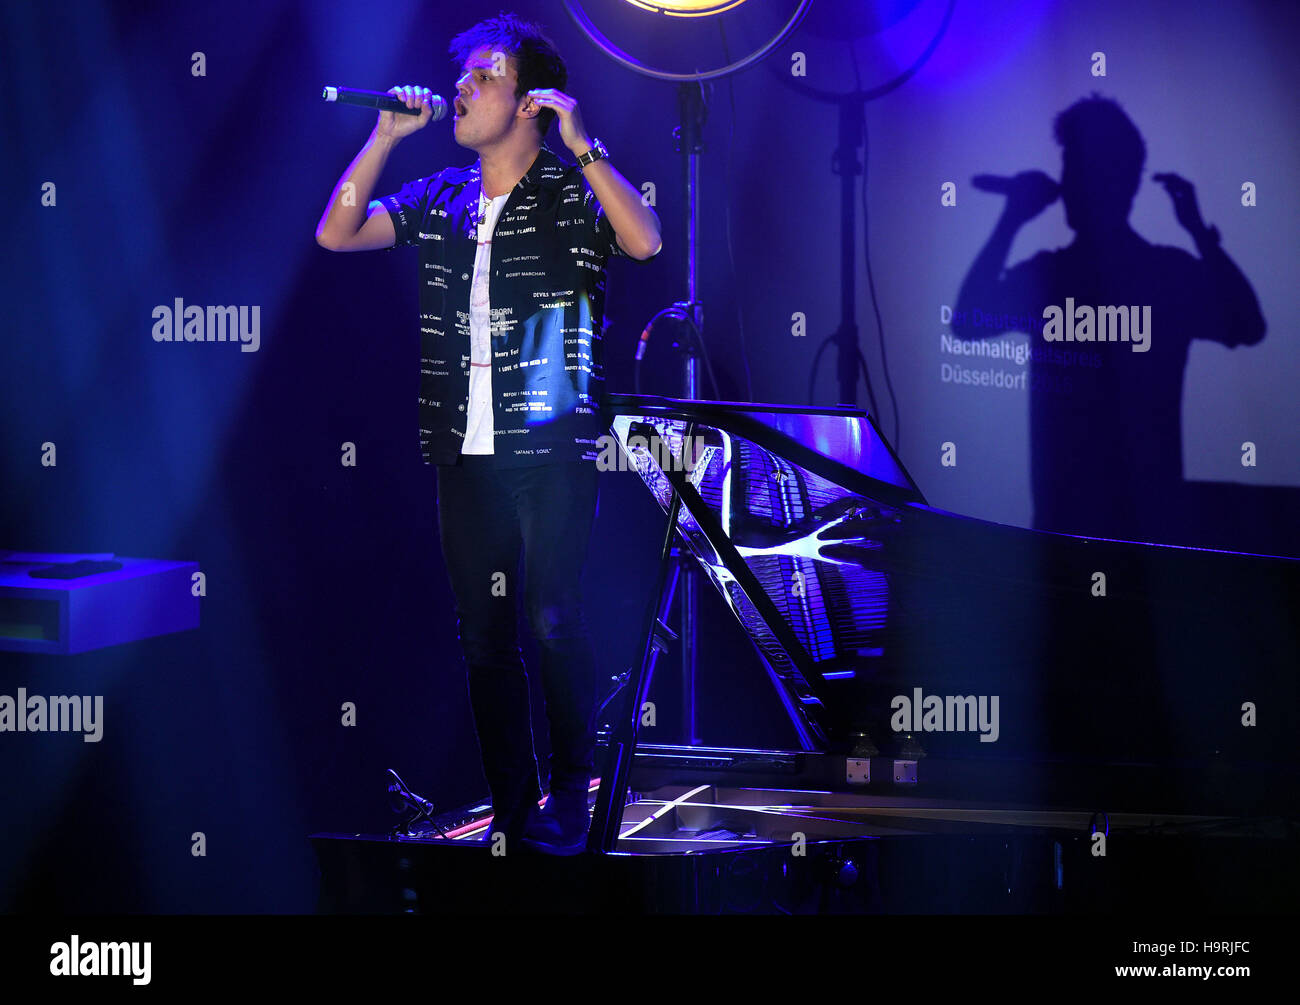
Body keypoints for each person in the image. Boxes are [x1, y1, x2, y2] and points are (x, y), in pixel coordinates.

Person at [315, 13, 661, 854]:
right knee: (484, 637)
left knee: (550, 614)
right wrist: (385, 136)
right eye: (461, 75)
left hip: (552, 447)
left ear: (532, 100)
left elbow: (645, 241)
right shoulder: (442, 198)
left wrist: (582, 141)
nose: (463, 88)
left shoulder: (572, 189)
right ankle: (514, 811)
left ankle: (573, 790)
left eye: (486, 75)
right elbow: (338, 230)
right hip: (462, 448)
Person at [952, 95, 1264, 543]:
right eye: (1069, 169)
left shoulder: (1145, 274)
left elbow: (1247, 325)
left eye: (1080, 169)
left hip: (1127, 539)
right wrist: (1011, 218)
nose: (1069, 184)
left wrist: (1013, 218)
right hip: (1080, 538)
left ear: (1118, 183)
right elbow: (967, 321)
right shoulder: (1070, 274)